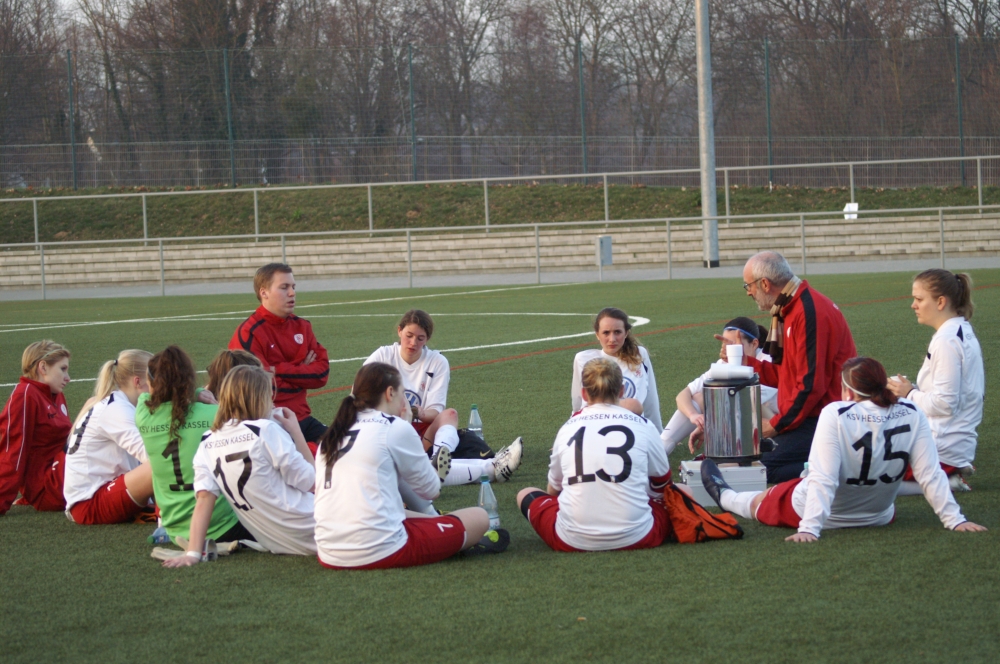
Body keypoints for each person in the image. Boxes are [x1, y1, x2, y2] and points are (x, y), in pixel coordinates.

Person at [700, 357, 987, 541]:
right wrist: (955, 520)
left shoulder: (836, 413)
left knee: (760, 501)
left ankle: (725, 496)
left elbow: (823, 477)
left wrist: (809, 528)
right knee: (797, 482)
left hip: (824, 513)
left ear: (848, 391)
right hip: (879, 515)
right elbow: (930, 473)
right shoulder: (912, 411)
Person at [314, 363, 509, 569]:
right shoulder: (394, 427)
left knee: (408, 508)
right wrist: (407, 426)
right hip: (378, 549)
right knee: (479, 518)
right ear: (390, 393)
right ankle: (456, 538)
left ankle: (439, 521)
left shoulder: (333, 434)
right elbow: (431, 490)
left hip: (328, 551)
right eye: (402, 393)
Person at [163, 365, 316, 566]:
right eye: (269, 395)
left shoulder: (207, 441)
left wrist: (193, 553)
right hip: (313, 525)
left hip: (279, 543)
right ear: (260, 398)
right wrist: (296, 432)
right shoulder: (264, 429)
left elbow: (204, 499)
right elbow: (311, 482)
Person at [517, 358, 672, 552]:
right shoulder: (643, 425)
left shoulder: (567, 428)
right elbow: (663, 485)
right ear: (622, 391)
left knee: (525, 494)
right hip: (638, 536)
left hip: (571, 539)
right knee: (683, 491)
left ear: (584, 393)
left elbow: (554, 488)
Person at [364, 309, 523, 489]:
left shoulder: (437, 361)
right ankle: (492, 468)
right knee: (412, 471)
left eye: (420, 338)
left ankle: (437, 458)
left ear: (427, 339)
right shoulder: (382, 357)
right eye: (409, 336)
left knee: (450, 415)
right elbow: (361, 399)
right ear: (399, 331)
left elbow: (436, 412)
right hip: (388, 434)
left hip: (422, 436)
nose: (413, 343)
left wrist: (421, 413)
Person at [741, 251, 856, 483]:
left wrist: (776, 425)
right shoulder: (792, 307)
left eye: (748, 286)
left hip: (824, 419)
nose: (748, 292)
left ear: (765, 284)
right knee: (752, 458)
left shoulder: (807, 311)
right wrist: (744, 362)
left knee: (762, 467)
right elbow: (788, 375)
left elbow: (810, 385)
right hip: (811, 415)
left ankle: (838, 468)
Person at [136, 346, 248, 544]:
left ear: (151, 382)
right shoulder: (215, 415)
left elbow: (147, 397)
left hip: (174, 528)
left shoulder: (143, 416)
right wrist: (199, 393)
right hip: (222, 525)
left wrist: (195, 394)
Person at [888, 269, 984, 493]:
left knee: (867, 475)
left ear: (940, 302)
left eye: (919, 299)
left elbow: (945, 404)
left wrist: (909, 393)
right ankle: (949, 473)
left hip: (941, 448)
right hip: (952, 443)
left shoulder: (946, 340)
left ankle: (944, 480)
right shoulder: (960, 329)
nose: (913, 305)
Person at [230, 263, 330, 442]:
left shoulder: (302, 326)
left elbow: (321, 374)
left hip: (301, 418)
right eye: (284, 287)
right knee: (307, 457)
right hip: (268, 422)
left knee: (346, 446)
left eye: (293, 287)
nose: (292, 293)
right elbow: (261, 388)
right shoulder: (249, 332)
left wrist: (278, 370)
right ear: (264, 292)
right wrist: (301, 373)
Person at [63, 350, 157, 525]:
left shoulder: (119, 403)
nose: (160, 386)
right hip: (88, 504)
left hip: (97, 493)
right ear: (138, 382)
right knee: (165, 462)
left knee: (169, 456)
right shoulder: (117, 409)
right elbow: (149, 455)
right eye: (155, 379)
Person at [662, 317, 779, 455]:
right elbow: (684, 394)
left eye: (732, 344)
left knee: (744, 399)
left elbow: (741, 402)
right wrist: (694, 416)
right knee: (701, 396)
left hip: (775, 426)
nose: (726, 348)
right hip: (746, 421)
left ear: (754, 344)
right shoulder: (724, 363)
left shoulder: (768, 360)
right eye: (724, 342)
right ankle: (662, 447)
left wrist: (710, 425)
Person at [0, 341, 72, 516]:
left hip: (62, 475)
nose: (68, 377)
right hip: (48, 488)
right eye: (62, 369)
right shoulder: (25, 395)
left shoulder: (56, 394)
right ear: (43, 367)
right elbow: (13, 453)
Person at [571, 307, 662, 431]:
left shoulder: (639, 355)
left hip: (634, 429)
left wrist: (659, 433)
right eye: (606, 333)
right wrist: (572, 430)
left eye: (617, 332)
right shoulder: (583, 359)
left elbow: (651, 399)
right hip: (594, 428)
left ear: (626, 333)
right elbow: (577, 402)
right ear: (597, 334)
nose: (612, 339)